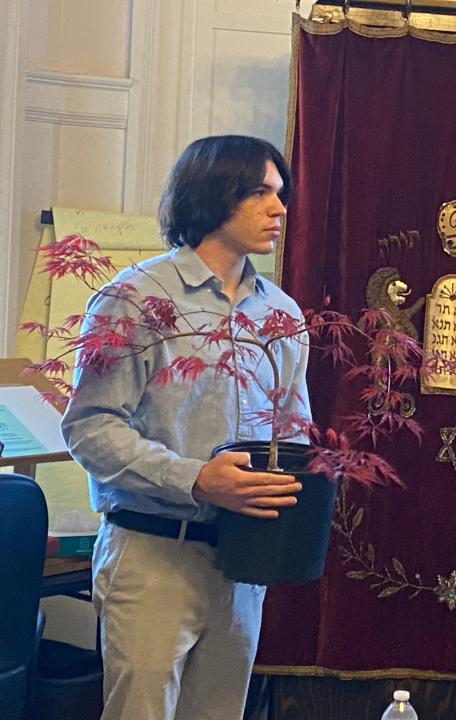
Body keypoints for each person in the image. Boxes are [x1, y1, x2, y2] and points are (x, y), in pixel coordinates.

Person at [61, 135, 311, 720]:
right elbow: (91, 427)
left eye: (280, 194)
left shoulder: (283, 314)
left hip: (245, 561)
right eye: (259, 193)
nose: (279, 208)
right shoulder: (134, 300)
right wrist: (197, 479)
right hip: (153, 553)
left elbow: (293, 429)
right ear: (210, 194)